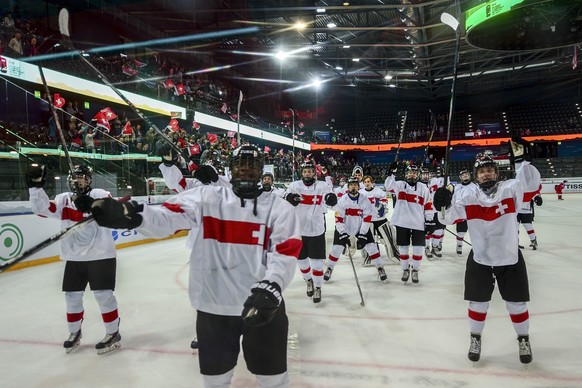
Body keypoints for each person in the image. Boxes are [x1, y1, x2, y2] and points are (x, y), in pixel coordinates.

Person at [91, 145, 302, 387]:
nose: (245, 170)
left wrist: (272, 286)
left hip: (263, 306)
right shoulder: (207, 198)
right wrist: (134, 216)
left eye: (251, 166)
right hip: (214, 307)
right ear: (231, 170)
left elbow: (285, 251)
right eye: (240, 165)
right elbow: (167, 216)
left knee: (274, 380)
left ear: (260, 170)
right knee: (215, 380)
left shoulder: (279, 208)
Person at [434, 139, 541, 364]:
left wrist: (522, 161)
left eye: (490, 170)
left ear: (497, 172)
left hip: (509, 257)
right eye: (482, 171)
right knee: (477, 302)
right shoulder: (468, 195)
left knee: (516, 303)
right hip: (481, 257)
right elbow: (448, 218)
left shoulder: (510, 189)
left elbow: (530, 186)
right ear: (476, 175)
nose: (486, 174)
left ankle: (523, 338)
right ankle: (475, 337)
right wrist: (442, 205)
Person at [26, 163, 122, 355]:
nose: (78, 180)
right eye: (75, 177)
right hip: (74, 256)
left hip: (101, 254)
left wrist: (93, 206)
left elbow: (114, 212)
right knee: (72, 296)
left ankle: (113, 333)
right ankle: (74, 332)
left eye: (82, 177)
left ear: (89, 180)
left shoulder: (100, 194)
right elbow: (42, 209)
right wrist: (36, 187)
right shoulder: (63, 200)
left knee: (103, 295)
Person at [284, 160, 337, 304]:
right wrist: (290, 198)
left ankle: (318, 287)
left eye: (310, 171)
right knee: (301, 262)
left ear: (314, 172)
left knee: (317, 263)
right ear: (301, 173)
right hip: (299, 230)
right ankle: (309, 281)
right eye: (305, 171)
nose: (308, 173)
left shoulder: (322, 185)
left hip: (316, 230)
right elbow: (285, 197)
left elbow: (329, 196)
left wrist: (331, 198)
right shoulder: (295, 186)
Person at [324, 176, 387, 282]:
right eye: (351, 185)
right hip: (345, 228)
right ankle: (329, 268)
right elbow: (339, 219)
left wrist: (362, 234)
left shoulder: (364, 200)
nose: (353, 187)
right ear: (348, 187)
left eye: (355, 185)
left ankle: (380, 268)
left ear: (359, 187)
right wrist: (343, 234)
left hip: (360, 228)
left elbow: (367, 219)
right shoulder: (342, 200)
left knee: (372, 248)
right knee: (336, 249)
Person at [384, 164, 431, 283]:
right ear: (406, 174)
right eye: (410, 172)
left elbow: (428, 205)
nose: (412, 174)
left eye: (414, 173)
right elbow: (388, 186)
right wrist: (391, 174)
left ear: (418, 175)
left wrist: (430, 221)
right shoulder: (399, 185)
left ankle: (415, 270)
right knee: (403, 249)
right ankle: (405, 269)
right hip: (402, 222)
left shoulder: (423, 188)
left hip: (418, 223)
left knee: (418, 249)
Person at [453, 169, 477, 255]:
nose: (465, 176)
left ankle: (476, 246)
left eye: (466, 174)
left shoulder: (475, 187)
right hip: (461, 213)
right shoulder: (457, 187)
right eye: (463, 175)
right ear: (460, 177)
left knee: (475, 231)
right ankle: (459, 245)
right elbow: (454, 199)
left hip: (473, 213)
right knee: (461, 231)